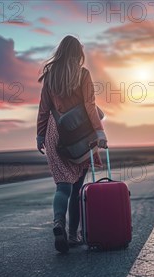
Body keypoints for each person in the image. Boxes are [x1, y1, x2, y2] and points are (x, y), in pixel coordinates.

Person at [36, 35, 107, 253]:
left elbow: (44, 109)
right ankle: (74, 235)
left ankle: (59, 223)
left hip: (55, 132)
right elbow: (89, 105)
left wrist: (40, 135)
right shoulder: (83, 74)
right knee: (77, 188)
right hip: (81, 136)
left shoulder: (49, 76)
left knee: (62, 186)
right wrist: (99, 132)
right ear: (78, 53)